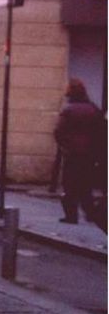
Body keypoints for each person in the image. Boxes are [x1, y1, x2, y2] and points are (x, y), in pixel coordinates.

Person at [53, 78, 103, 224]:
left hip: (72, 153)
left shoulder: (69, 110)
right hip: (89, 154)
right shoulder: (93, 109)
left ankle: (71, 215)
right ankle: (91, 214)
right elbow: (100, 132)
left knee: (69, 185)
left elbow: (58, 131)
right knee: (86, 186)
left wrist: (64, 146)